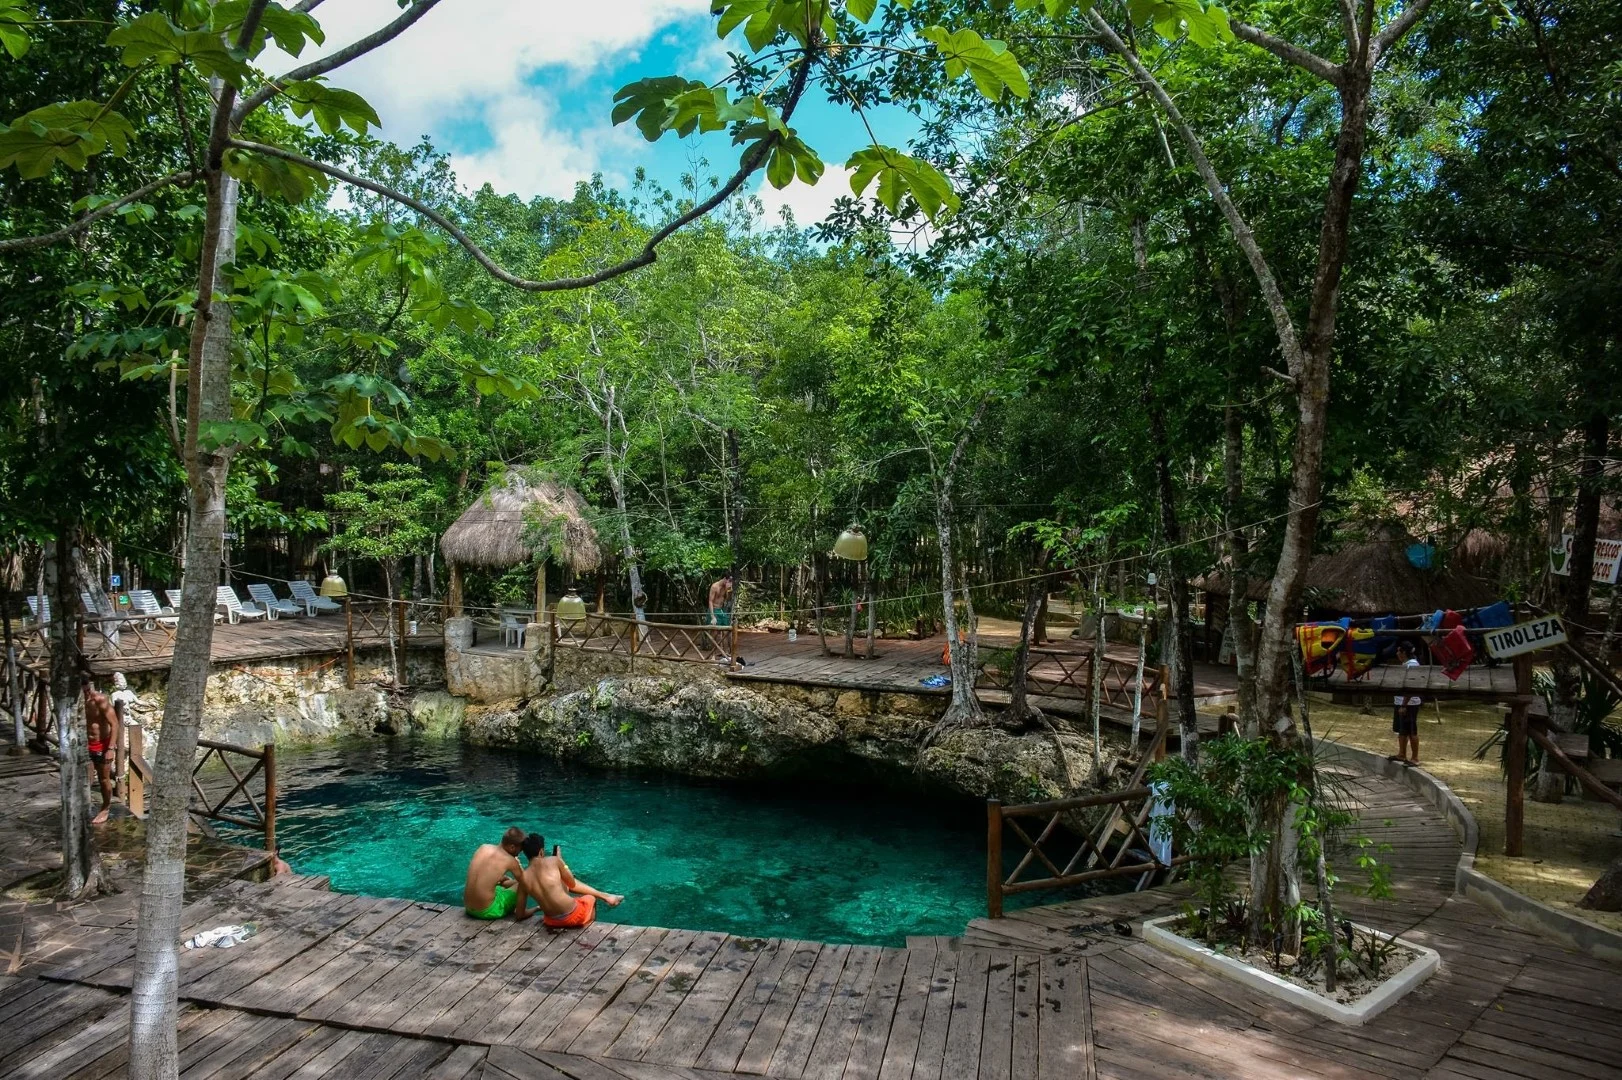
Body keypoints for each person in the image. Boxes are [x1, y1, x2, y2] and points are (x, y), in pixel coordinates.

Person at [515, 833, 622, 929]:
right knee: (590, 899)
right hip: (574, 916)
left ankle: (607, 897)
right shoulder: (553, 861)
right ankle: (589, 928)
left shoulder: (523, 878)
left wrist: (537, 908)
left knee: (562, 883)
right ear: (541, 851)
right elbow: (571, 883)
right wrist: (562, 862)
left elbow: (520, 915)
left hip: (551, 922)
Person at [78, 661, 117, 825]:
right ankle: (84, 805)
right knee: (84, 777)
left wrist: (110, 748)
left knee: (104, 779)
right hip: (83, 744)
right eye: (83, 692)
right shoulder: (75, 704)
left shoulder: (99, 700)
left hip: (102, 744)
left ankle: (106, 807)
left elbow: (115, 724)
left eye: (88, 690)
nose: (87, 694)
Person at [463, 826, 528, 920]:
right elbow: (526, 882)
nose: (519, 854)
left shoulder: (483, 847)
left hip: (468, 907)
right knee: (523, 885)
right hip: (487, 911)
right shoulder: (510, 860)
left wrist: (500, 878)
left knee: (503, 882)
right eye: (520, 850)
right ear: (512, 847)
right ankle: (521, 913)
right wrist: (518, 863)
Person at [1390, 641, 1422, 766]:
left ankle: (1415, 758)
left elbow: (1411, 687)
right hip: (1400, 702)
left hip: (1410, 704)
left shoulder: (1413, 665)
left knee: (1411, 731)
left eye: (1399, 651)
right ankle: (1402, 754)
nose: (1397, 653)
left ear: (1404, 653)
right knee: (1402, 730)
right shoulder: (1405, 664)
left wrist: (1404, 705)